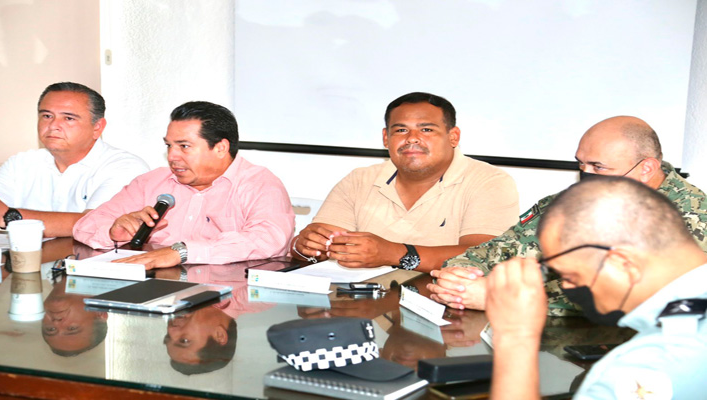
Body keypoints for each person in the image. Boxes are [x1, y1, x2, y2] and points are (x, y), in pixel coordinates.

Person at [429, 116, 707, 314]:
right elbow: (497, 249)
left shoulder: (692, 218)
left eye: (599, 167)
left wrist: (501, 296)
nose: (586, 175)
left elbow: (646, 296)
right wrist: (461, 274)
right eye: (581, 164)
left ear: (646, 168)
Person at [487, 177, 707, 399]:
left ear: (623, 264)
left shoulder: (651, 364)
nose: (565, 287)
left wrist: (516, 336)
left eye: (570, 276)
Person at [292, 92, 519, 272]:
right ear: (385, 138)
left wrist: (394, 253)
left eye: (426, 129)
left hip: (448, 309)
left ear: (453, 137)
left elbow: (487, 256)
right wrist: (307, 247)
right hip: (364, 308)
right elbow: (319, 245)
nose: (412, 138)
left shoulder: (489, 182)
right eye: (401, 130)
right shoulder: (359, 180)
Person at [73, 101, 295, 269]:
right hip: (158, 289)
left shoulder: (260, 184)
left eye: (184, 146)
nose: (172, 156)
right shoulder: (151, 182)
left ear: (220, 148)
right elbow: (85, 227)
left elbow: (268, 239)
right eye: (169, 145)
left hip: (229, 296)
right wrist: (113, 232)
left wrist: (181, 252)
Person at [0, 82, 149, 237]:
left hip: (90, 265)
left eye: (68, 118)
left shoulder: (125, 167)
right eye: (47, 116)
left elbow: (95, 224)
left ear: (97, 127)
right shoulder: (21, 163)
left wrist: (7, 216)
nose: (53, 125)